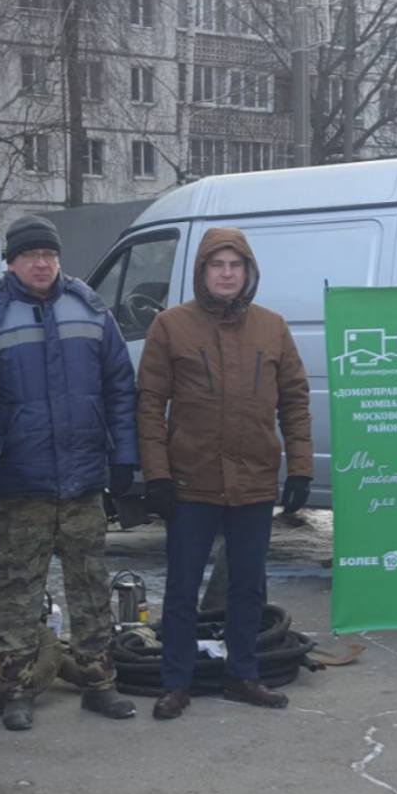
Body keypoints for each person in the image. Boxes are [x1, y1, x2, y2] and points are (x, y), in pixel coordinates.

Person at [135, 227, 313, 720]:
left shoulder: (272, 328)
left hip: (254, 480)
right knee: (182, 585)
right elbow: (150, 405)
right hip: (191, 481)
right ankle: (175, 681)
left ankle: (243, 674)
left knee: (248, 586)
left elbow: (295, 401)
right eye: (219, 265)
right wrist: (158, 476)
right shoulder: (171, 327)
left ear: (249, 272)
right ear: (202, 272)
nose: (227, 273)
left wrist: (299, 467)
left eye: (236, 265)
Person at [0, 214, 141, 731]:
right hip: (21, 480)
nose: (41, 263)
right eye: (30, 256)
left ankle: (98, 682)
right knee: (18, 591)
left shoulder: (90, 309)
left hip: (83, 478)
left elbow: (119, 387)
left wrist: (124, 457)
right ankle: (17, 689)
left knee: (90, 586)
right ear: (11, 262)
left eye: (48, 255)